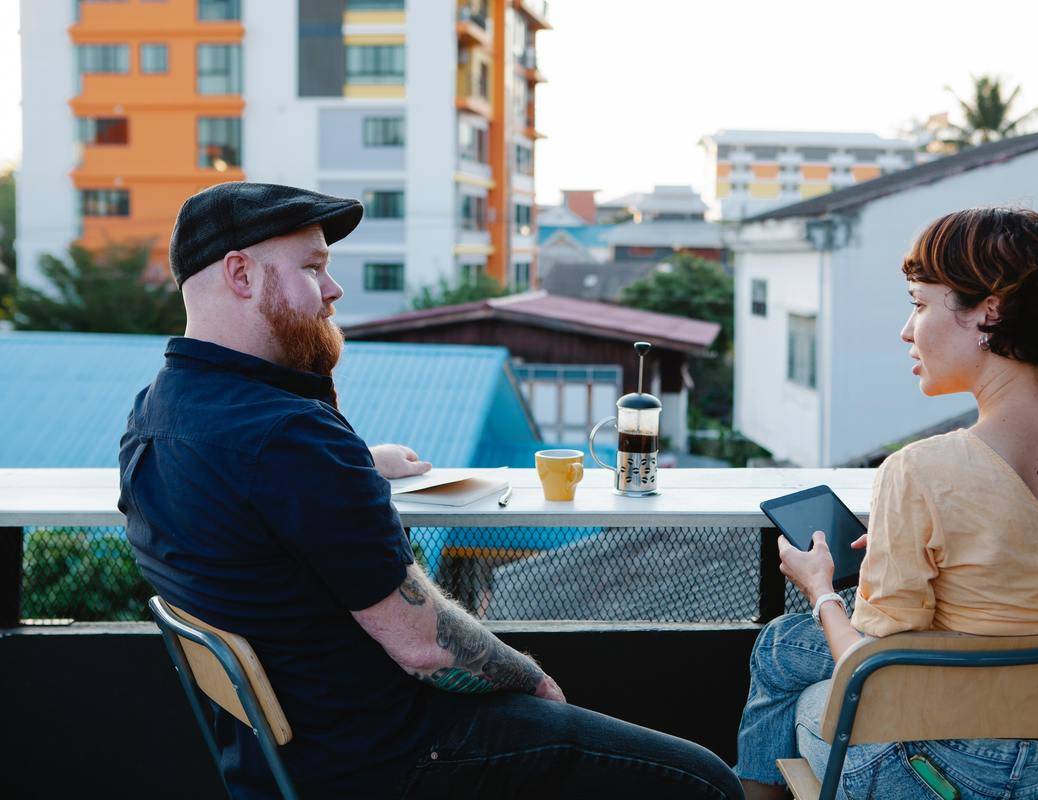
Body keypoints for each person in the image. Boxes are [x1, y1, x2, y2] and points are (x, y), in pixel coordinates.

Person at [119, 182, 743, 799]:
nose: (333, 291)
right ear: (241, 275)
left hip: (275, 766)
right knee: (704, 781)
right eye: (314, 268)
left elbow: (252, 488)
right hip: (393, 759)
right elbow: (424, 647)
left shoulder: (160, 413)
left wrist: (361, 462)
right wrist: (531, 679)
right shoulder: (291, 439)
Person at [735, 207, 1038, 800]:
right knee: (788, 645)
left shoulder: (920, 470)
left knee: (792, 656)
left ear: (988, 310)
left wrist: (818, 589)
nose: (905, 329)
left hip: (924, 771)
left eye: (919, 303)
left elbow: (871, 669)